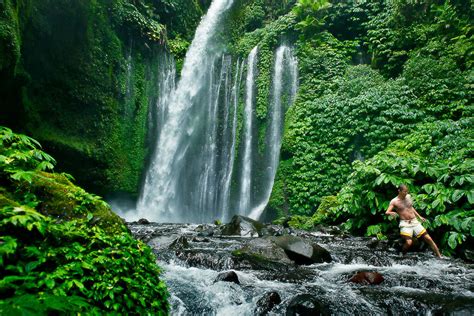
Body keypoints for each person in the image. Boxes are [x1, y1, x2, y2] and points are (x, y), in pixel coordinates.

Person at [385, 184, 441, 258]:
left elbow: (411, 207)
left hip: (414, 221)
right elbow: (387, 212)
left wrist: (419, 217)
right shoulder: (394, 201)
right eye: (404, 191)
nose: (406, 193)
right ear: (399, 191)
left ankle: (439, 256)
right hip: (405, 223)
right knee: (409, 242)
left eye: (407, 191)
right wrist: (390, 212)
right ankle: (402, 255)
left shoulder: (408, 197)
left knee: (429, 239)